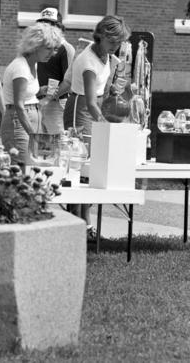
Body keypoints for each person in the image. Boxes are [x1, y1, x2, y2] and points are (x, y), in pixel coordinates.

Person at [63, 15, 130, 239]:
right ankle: (77, 226)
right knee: (79, 168)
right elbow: (90, 102)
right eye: (112, 42)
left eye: (119, 43)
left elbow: (101, 92)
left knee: (91, 170)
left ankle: (86, 226)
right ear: (100, 37)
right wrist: (106, 128)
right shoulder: (88, 62)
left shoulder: (106, 56)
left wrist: (113, 91)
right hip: (80, 110)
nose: (116, 47)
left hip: (94, 106)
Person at [0, 22, 62, 168]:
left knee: (33, 168)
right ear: (35, 46)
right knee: (23, 168)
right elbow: (19, 105)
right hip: (19, 120)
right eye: (48, 48)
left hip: (30, 117)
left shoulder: (32, 63)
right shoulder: (21, 67)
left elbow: (24, 94)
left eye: (55, 49)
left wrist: (40, 91)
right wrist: (34, 135)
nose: (52, 53)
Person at [36, 7, 75, 134]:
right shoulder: (42, 47)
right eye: (42, 23)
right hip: (42, 102)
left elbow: (69, 82)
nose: (45, 27)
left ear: (58, 26)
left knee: (57, 143)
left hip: (58, 104)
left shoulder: (66, 49)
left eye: (49, 24)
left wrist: (47, 99)